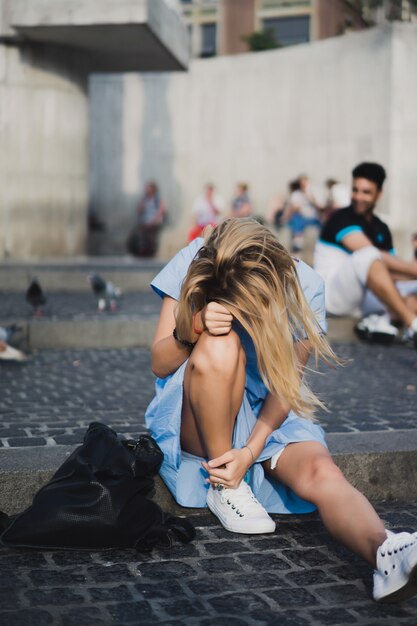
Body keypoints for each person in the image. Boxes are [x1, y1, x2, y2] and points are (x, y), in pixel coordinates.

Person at [145, 217, 417, 603]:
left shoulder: (305, 285)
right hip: (201, 408)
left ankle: (384, 553)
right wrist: (194, 327)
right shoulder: (196, 260)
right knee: (222, 345)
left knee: (322, 471)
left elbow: (285, 390)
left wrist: (252, 450)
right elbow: (159, 364)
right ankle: (226, 482)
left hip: (268, 414)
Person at [314, 162, 417, 346]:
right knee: (368, 254)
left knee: (413, 288)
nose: (358, 197)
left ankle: (380, 323)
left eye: (366, 192)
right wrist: (413, 269)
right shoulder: (340, 217)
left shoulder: (382, 227)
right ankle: (413, 325)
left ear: (379, 194)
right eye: (355, 190)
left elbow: (390, 270)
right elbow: (373, 256)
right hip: (333, 296)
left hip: (365, 298)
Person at [127, 182, 166, 257]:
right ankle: (142, 250)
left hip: (155, 222)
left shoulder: (157, 199)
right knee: (140, 231)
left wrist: (153, 220)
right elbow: (139, 210)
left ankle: (148, 251)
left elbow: (162, 211)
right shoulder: (145, 199)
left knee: (147, 231)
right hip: (146, 221)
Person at [286, 175, 322, 252]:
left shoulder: (314, 192)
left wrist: (310, 197)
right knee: (296, 217)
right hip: (302, 217)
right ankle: (298, 242)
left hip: (314, 217)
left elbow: (319, 206)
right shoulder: (296, 194)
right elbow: (294, 208)